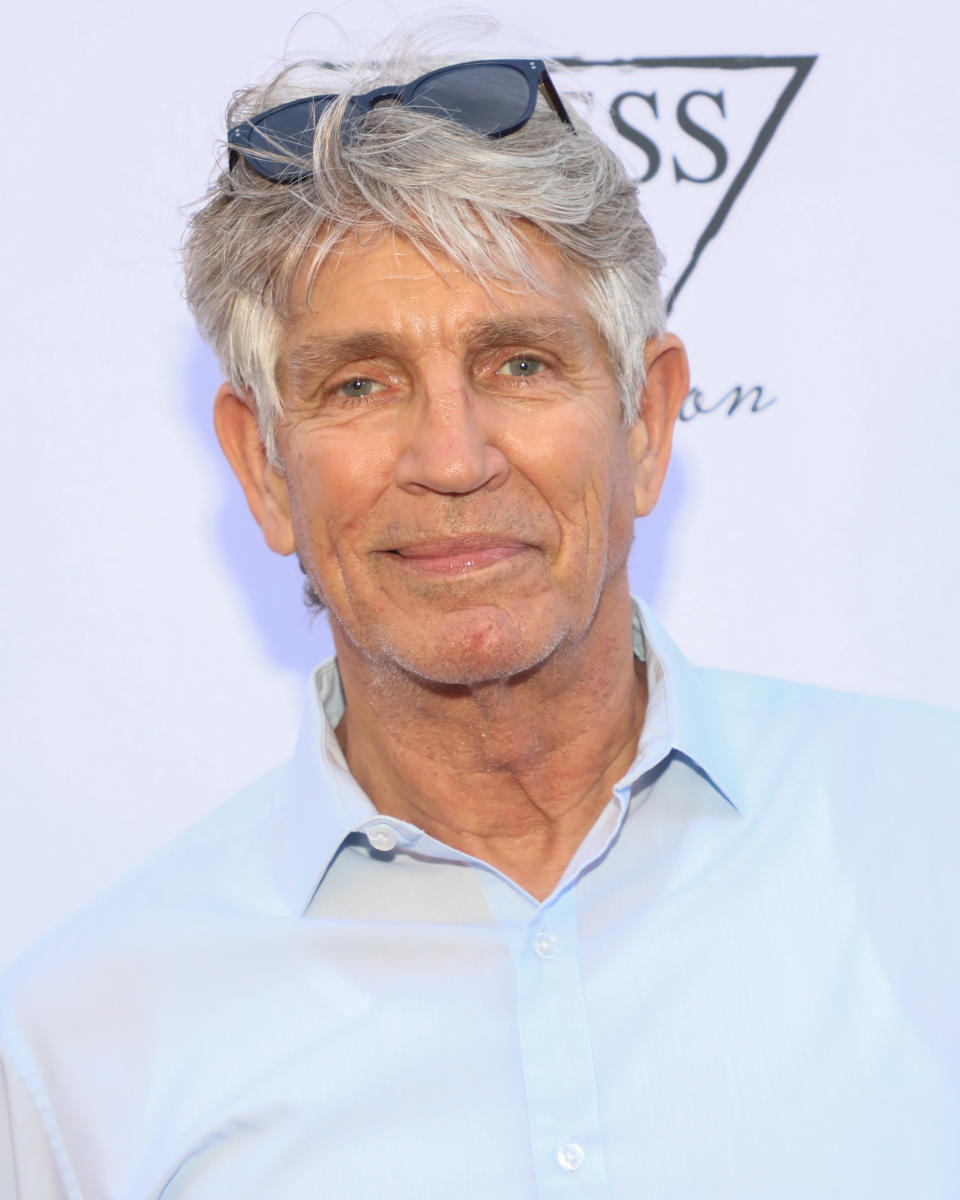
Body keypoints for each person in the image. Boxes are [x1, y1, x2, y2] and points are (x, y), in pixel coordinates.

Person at [1, 43, 957, 1200]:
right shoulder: (78, 1048)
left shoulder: (929, 843)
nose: (452, 459)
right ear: (261, 467)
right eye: (359, 384)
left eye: (518, 363)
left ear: (647, 424)